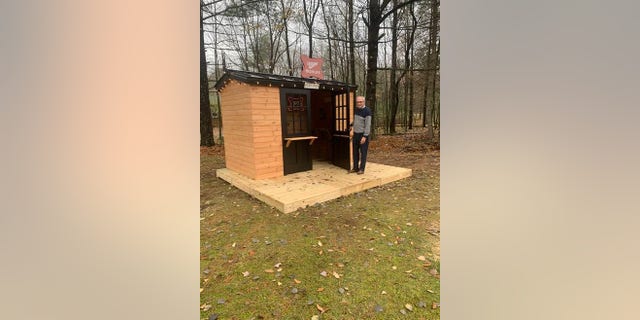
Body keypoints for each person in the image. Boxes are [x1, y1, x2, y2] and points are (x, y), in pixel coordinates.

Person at [350, 96, 372, 174]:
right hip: (355, 135)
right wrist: (351, 125)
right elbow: (355, 120)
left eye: (360, 102)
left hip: (363, 135)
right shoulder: (356, 110)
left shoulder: (367, 111)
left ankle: (361, 169)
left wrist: (365, 136)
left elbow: (367, 125)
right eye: (357, 102)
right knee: (355, 152)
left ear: (364, 102)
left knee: (363, 153)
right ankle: (355, 168)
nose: (359, 103)